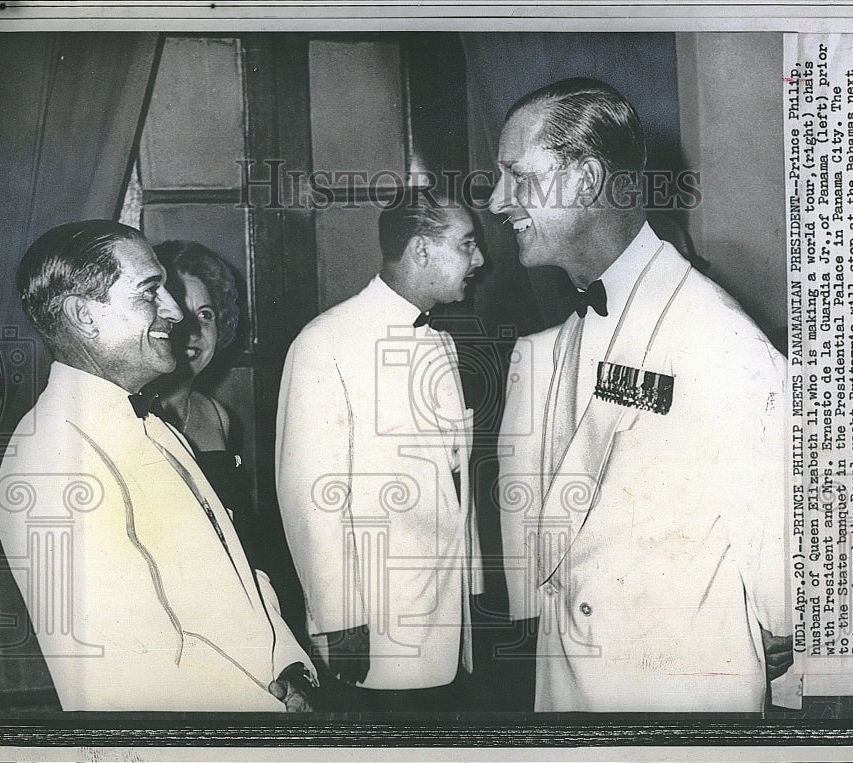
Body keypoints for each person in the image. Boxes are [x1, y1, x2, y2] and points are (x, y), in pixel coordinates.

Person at [488, 78, 791, 712]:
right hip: (572, 686)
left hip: (675, 696)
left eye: (517, 177)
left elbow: (782, 588)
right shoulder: (566, 332)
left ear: (587, 179)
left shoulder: (719, 336)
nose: (497, 202)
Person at [0, 220, 316, 712]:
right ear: (85, 315)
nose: (174, 311)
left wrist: (288, 669)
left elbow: (240, 575)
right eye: (151, 292)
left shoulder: (153, 423)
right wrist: (272, 715)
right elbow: (133, 671)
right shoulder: (52, 461)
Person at [275, 193, 485, 712]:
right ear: (421, 251)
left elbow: (455, 478)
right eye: (467, 245)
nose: (479, 262)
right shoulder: (324, 344)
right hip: (374, 626)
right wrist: (339, 618)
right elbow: (311, 496)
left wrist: (473, 583)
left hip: (449, 620)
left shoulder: (442, 343)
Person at [144, 240, 261, 568]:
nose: (193, 330)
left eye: (205, 315)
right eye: (180, 313)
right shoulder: (130, 413)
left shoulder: (218, 416)